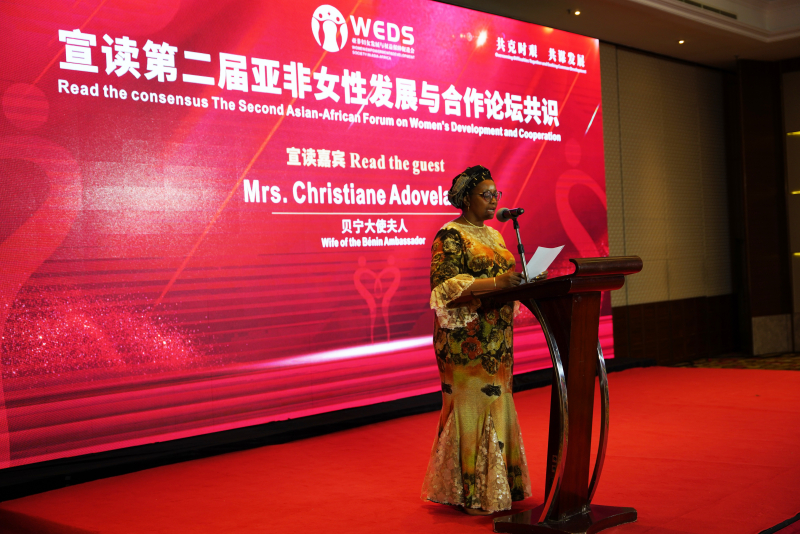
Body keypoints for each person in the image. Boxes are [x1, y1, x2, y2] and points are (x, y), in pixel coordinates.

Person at [421, 165, 534, 515]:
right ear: (466, 198)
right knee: (472, 407)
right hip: (464, 339)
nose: (493, 200)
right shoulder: (449, 235)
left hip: (497, 337)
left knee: (498, 403)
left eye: (495, 194)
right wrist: (497, 284)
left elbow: (502, 278)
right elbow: (444, 288)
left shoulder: (496, 236)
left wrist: (523, 280)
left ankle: (498, 488)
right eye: (486, 194)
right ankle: (470, 492)